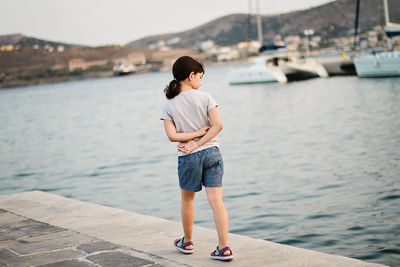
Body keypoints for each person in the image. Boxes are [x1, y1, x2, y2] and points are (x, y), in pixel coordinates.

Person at [160, 56, 233, 261]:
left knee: (187, 200)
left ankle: (188, 241)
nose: (200, 82)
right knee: (217, 201)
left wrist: (193, 141)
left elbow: (172, 136)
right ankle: (223, 247)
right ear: (191, 76)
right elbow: (218, 126)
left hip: (188, 157)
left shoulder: (168, 105)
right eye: (200, 77)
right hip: (213, 154)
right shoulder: (206, 97)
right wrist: (200, 137)